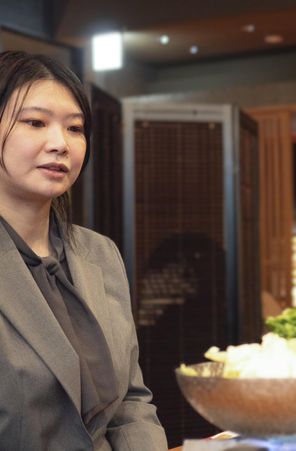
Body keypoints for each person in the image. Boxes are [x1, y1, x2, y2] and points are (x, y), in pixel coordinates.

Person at [0, 51, 167, 450]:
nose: (60, 144)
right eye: (35, 122)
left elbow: (130, 402)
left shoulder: (100, 253)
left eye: (75, 128)